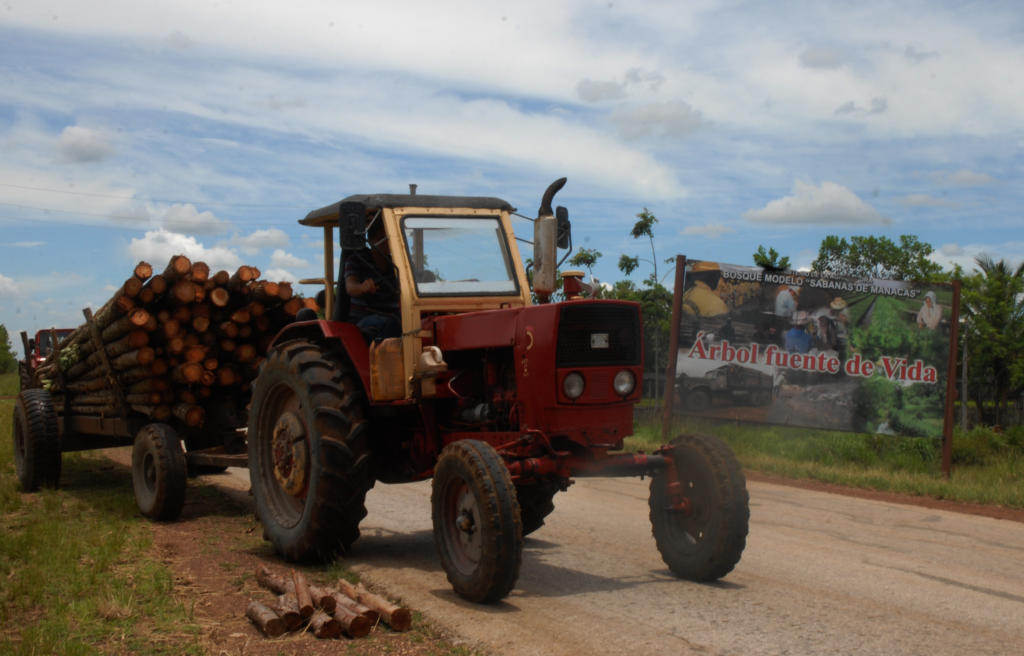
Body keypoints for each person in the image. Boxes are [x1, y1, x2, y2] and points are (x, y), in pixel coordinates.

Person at [345, 219, 401, 340]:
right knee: (394, 324)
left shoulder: (397, 264)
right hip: (364, 317)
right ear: (371, 241)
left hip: (394, 315)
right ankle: (386, 351)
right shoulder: (356, 260)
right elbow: (350, 287)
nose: (387, 242)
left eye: (389, 238)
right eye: (382, 238)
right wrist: (362, 287)